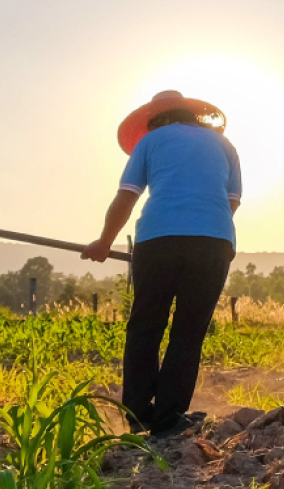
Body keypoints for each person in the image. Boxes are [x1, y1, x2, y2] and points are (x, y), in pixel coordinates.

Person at [81, 90, 241, 438]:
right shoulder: (224, 146)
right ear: (191, 115)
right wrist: (202, 232)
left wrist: (105, 242)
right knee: (188, 330)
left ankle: (137, 414)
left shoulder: (152, 141)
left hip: (157, 240)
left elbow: (127, 195)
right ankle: (168, 417)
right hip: (212, 241)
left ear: (155, 120)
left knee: (145, 326)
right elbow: (231, 201)